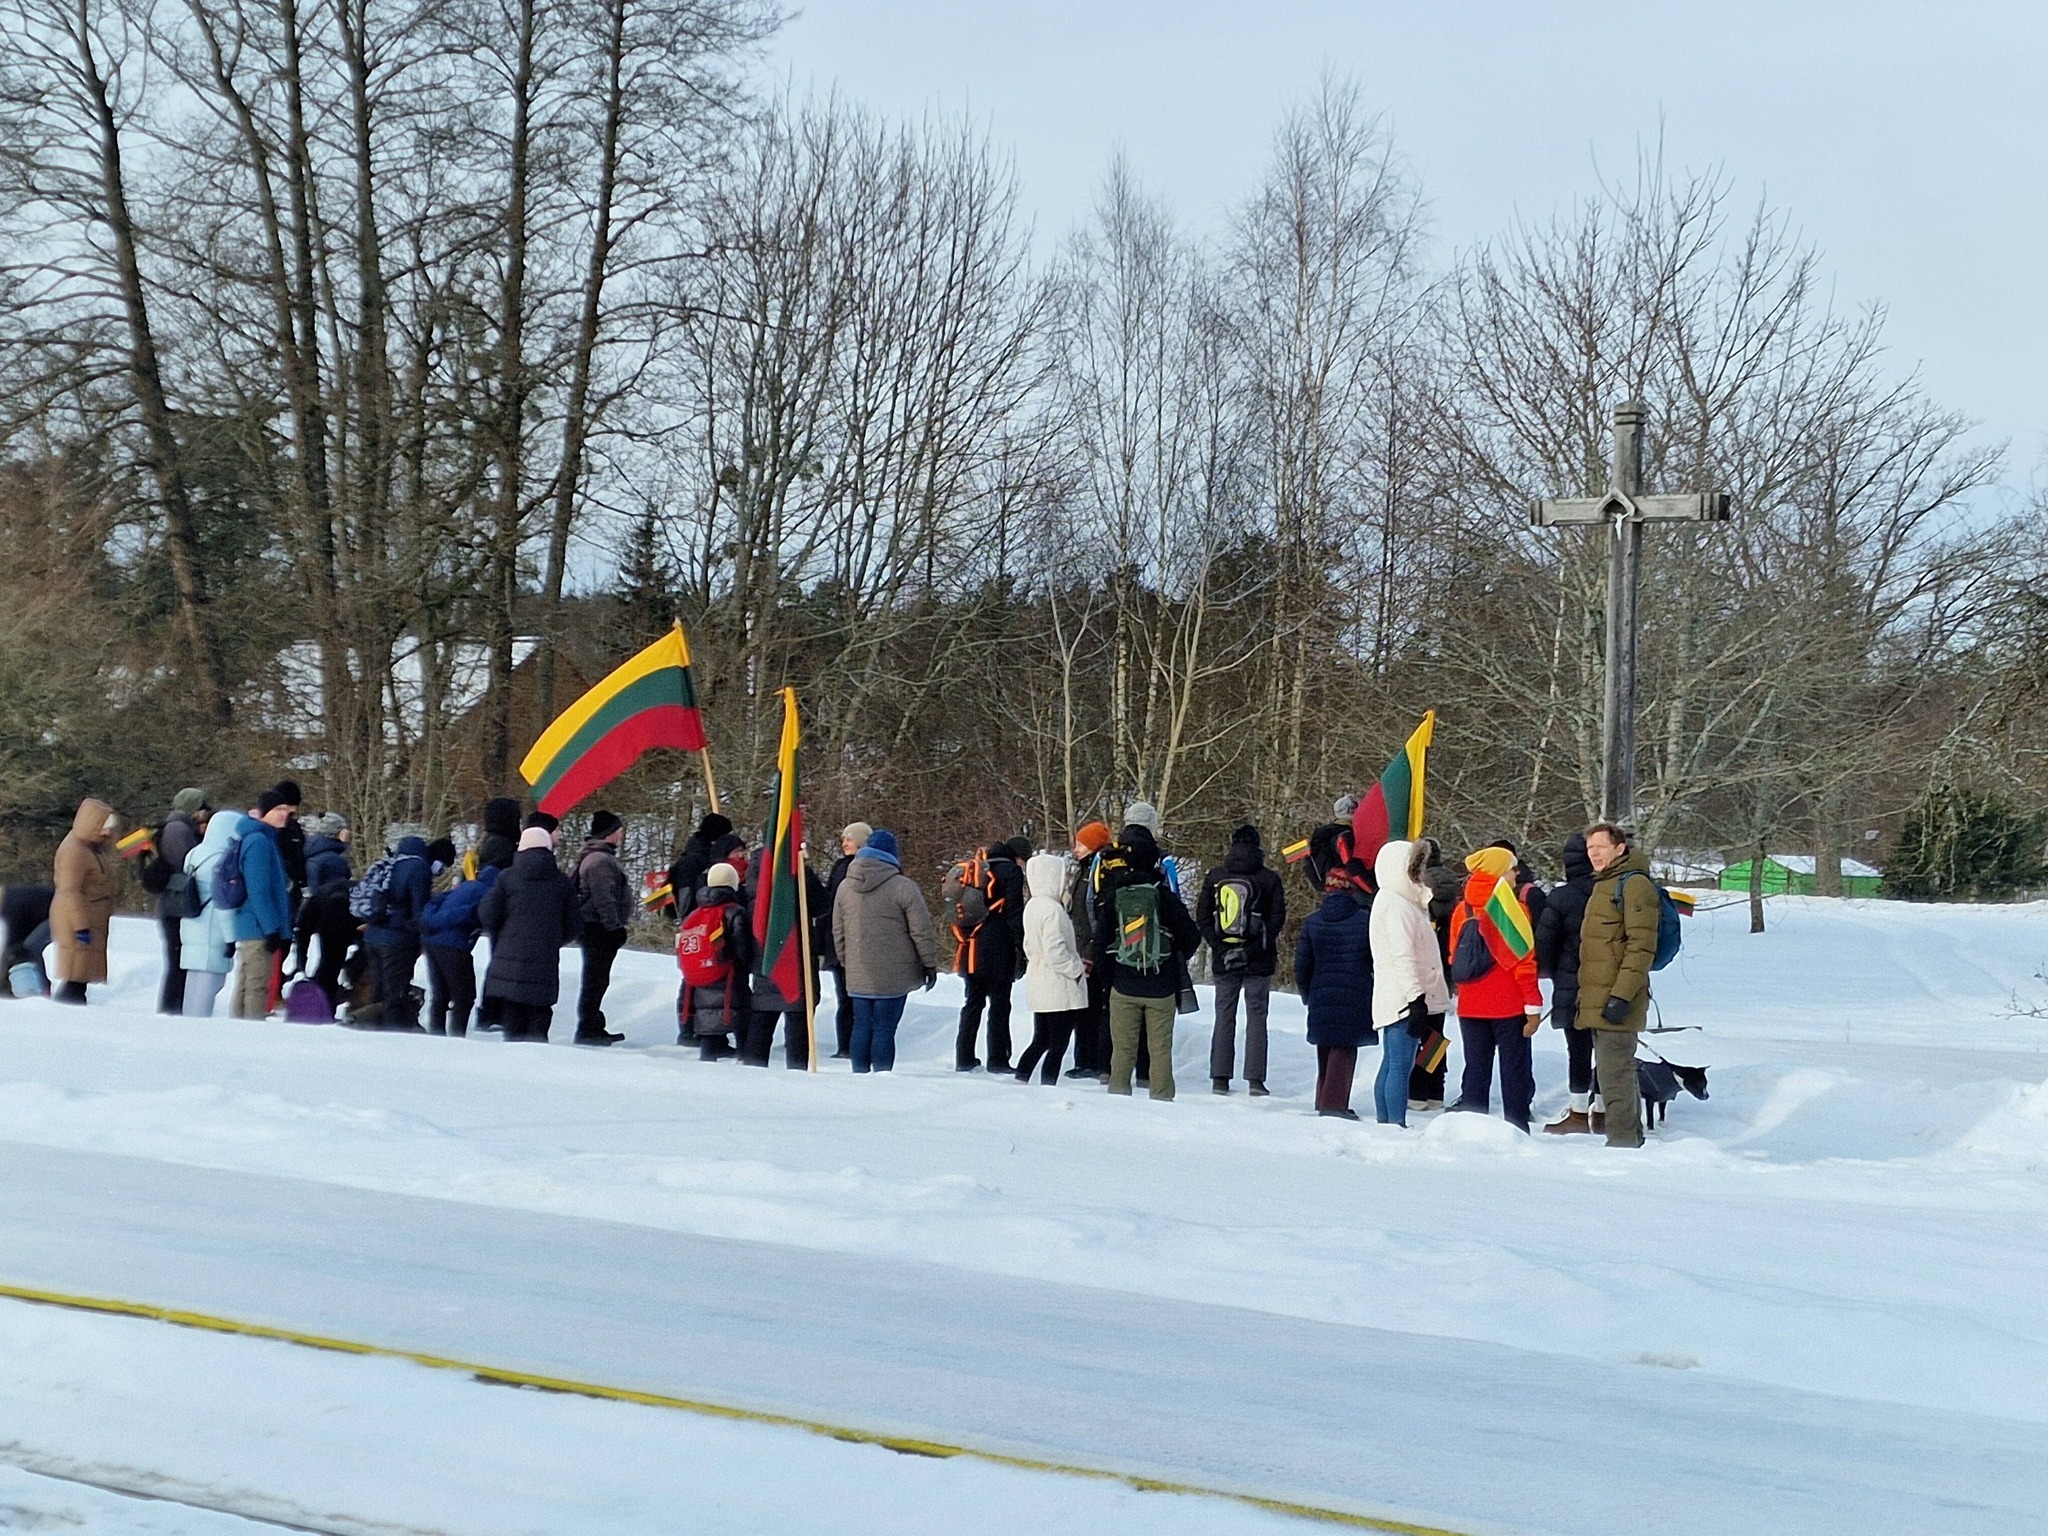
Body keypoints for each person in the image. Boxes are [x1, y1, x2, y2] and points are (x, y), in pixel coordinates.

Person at [1091, 805, 1200, 1102]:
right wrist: (1172, 959)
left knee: (1122, 1052)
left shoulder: (1114, 896)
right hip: (1161, 986)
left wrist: (1109, 978)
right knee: (1160, 1051)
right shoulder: (1163, 896)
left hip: (1123, 984)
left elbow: (1100, 943)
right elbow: (1191, 936)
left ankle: (1117, 1102)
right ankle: (1162, 1103)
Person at [1447, 845, 1544, 1131]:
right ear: (1500, 872)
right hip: (1508, 1004)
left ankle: (1474, 1131)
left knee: (1476, 1070)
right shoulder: (1511, 909)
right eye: (1512, 868)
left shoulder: (1462, 909)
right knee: (1514, 1072)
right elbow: (1524, 962)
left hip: (1470, 1005)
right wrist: (1533, 1005)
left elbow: (1453, 956)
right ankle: (1516, 1129)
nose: (1516, 873)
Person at [1576, 822, 1660, 1148]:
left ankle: (1623, 1144)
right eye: (1590, 848)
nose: (1594, 853)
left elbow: (1641, 946)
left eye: (1600, 847)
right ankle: (1628, 1139)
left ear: (1619, 848)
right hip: (1599, 996)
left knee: (1615, 1075)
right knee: (1612, 1074)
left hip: (1618, 997)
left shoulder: (1633, 884)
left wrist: (1621, 995)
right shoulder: (1605, 884)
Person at [832, 829, 941, 1074]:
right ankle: (882, 1078)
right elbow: (921, 930)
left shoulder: (845, 887)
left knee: (861, 1025)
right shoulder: (904, 887)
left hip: (858, 968)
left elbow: (838, 929)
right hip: (895, 973)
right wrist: (929, 964)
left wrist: (846, 961)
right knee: (884, 1028)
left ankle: (859, 1075)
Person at [1198, 823, 1287, 1096]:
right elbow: (1276, 921)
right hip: (1259, 960)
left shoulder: (1216, 876)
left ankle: (1220, 1078)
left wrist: (1220, 948)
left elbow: (1203, 917)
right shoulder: (1269, 879)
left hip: (1223, 957)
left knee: (1224, 1015)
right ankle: (1255, 1080)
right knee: (1257, 1017)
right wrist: (1252, 951)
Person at [1369, 839, 1450, 1127]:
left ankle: (1387, 1123)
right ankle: (1394, 1124)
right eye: (1414, 868)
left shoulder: (1400, 902)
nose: (1419, 874)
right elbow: (1402, 956)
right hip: (1403, 997)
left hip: (1401, 993)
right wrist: (1416, 999)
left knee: (1393, 1061)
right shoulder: (1397, 906)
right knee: (1400, 1064)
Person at [478, 819, 580, 1042]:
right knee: (539, 1017)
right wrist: (553, 939)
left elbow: (487, 914)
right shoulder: (561, 882)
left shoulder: (506, 878)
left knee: (513, 1017)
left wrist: (503, 934)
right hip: (545, 959)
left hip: (509, 958)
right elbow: (573, 924)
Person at [1295, 864, 1375, 1118]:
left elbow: (1302, 964)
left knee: (1326, 1048)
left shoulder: (1313, 921)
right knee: (1344, 1050)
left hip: (1321, 992)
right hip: (1354, 993)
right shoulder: (1364, 920)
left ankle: (1324, 1099)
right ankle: (1334, 1105)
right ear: (1351, 889)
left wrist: (1307, 993)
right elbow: (1373, 959)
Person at [742, 848, 829, 1068]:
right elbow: (823, 905)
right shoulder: (794, 872)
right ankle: (795, 1073)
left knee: (762, 1020)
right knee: (795, 1022)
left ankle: (752, 1072)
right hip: (793, 961)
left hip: (765, 961)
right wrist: (805, 874)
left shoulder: (754, 877)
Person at [1536, 832, 1599, 1134]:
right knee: (1607, 1048)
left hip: (1571, 983)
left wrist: (1552, 972)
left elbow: (1545, 944)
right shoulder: (1615, 891)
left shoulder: (1561, 897)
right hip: (1611, 983)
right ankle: (1603, 1110)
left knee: (1578, 1048)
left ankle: (1578, 1112)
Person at [950, 836, 1027, 1073]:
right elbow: (1014, 912)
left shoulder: (976, 869)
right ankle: (998, 1059)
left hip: (971, 947)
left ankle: (964, 1057)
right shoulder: (1011, 872)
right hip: (999, 948)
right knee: (1000, 1005)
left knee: (973, 1003)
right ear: (1018, 856)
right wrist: (1020, 946)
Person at [1015, 852, 1088, 1084]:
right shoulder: (1053, 910)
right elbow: (1055, 951)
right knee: (1058, 1042)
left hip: (1039, 980)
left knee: (1041, 1039)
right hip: (1058, 985)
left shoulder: (1032, 906)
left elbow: (1031, 945)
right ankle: (1048, 1085)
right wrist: (1076, 969)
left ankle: (1021, 1077)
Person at [422, 834, 505, 1036]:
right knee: (464, 996)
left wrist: (431, 921)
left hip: (432, 941)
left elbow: (437, 901)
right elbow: (475, 914)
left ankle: (436, 1036)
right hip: (454, 945)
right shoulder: (488, 892)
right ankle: (457, 1037)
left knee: (440, 994)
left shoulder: (468, 885)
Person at [1408, 837, 1464, 1110]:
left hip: (1423, 962)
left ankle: (1417, 1091)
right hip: (1445, 964)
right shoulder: (1452, 884)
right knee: (1436, 1033)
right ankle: (1435, 1090)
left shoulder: (1417, 886)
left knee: (1418, 1030)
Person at [50, 797, 121, 1006]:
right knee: (75, 971)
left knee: (82, 971)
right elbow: (69, 892)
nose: (107, 832)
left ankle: (74, 1006)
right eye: (104, 826)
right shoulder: (75, 851)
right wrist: (80, 926)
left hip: (91, 916)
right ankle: (69, 1009)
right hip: (77, 919)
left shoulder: (90, 847)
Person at [571, 809, 632, 1046]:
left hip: (597, 927)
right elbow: (603, 897)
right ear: (610, 833)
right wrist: (613, 927)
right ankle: (588, 1028)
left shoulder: (598, 857)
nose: (621, 835)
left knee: (597, 979)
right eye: (618, 830)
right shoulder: (599, 860)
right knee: (595, 979)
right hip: (598, 929)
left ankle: (592, 1025)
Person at [230, 791, 294, 1018]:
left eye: (286, 810)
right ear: (265, 812)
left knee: (247, 983)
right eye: (278, 809)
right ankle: (251, 1031)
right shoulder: (259, 841)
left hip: (253, 923)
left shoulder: (264, 838)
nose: (284, 814)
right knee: (257, 986)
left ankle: (237, 1028)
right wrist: (271, 928)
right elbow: (258, 890)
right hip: (258, 925)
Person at [361, 833, 432, 1030]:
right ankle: (392, 1036)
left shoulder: (386, 865)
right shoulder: (419, 868)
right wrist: (425, 932)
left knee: (378, 992)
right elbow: (420, 910)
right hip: (398, 941)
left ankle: (371, 1031)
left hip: (372, 936)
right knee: (395, 994)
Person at [685, 861, 753, 1059]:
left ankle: (710, 1053)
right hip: (730, 977)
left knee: (709, 1019)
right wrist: (748, 964)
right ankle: (745, 1058)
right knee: (741, 1016)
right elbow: (742, 949)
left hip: (702, 976)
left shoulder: (695, 913)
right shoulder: (735, 912)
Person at [180, 808, 244, 1017]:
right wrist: (230, 939)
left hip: (192, 924)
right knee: (208, 988)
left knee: (193, 986)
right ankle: (198, 1029)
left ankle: (186, 1024)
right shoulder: (223, 861)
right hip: (213, 928)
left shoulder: (194, 853)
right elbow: (224, 902)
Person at [1062, 821, 1113, 1079]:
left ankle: (1093, 1061)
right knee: (1084, 1006)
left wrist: (1091, 950)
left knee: (1093, 1007)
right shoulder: (1084, 870)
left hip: (1091, 950)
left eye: (1081, 844)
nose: (1076, 849)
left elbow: (1092, 914)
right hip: (1081, 947)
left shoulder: (1098, 872)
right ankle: (1085, 1059)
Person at [150, 789, 208, 1013]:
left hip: (173, 903)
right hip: (175, 903)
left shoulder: (177, 827)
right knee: (177, 960)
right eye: (201, 808)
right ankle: (171, 1008)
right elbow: (188, 864)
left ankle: (173, 1006)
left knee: (178, 959)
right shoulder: (179, 830)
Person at [822, 821, 871, 1058]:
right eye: (843, 839)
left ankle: (857, 1044)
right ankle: (846, 1045)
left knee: (858, 998)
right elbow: (830, 905)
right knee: (845, 998)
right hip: (839, 941)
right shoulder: (840, 866)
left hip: (860, 940)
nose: (844, 844)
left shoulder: (870, 867)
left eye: (849, 839)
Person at [1, 884, 54, 997]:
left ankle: (45, 988)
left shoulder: (12, 907)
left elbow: (14, 944)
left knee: (32, 946)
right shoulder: (10, 898)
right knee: (26, 948)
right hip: (48, 915)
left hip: (62, 915)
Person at [305, 814, 353, 893]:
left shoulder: (317, 853)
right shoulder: (333, 859)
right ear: (334, 832)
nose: (347, 832)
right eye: (343, 829)